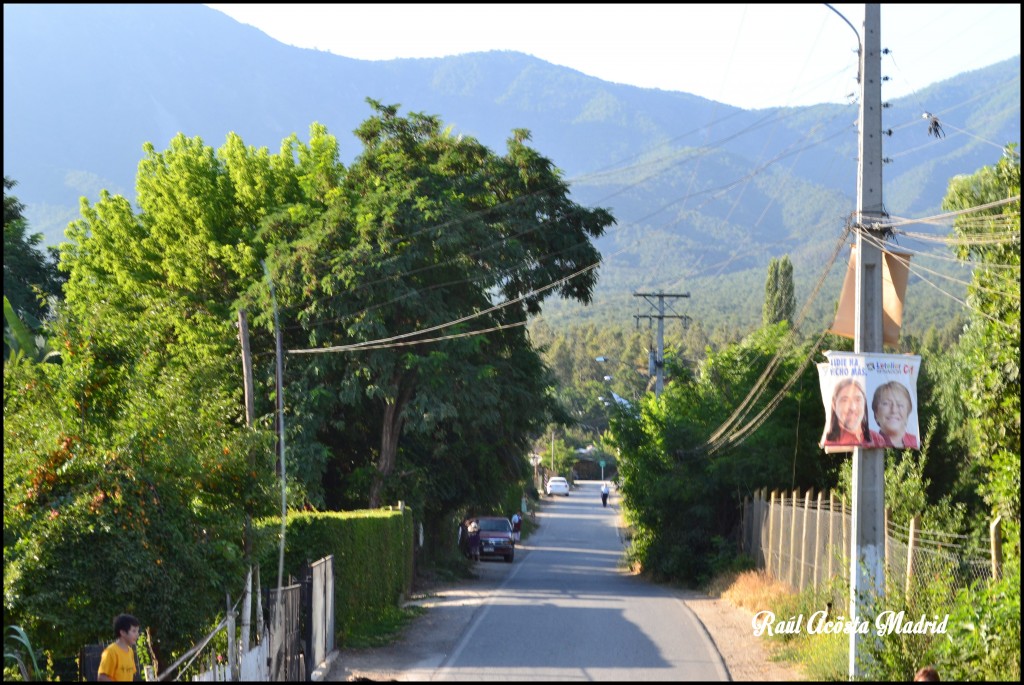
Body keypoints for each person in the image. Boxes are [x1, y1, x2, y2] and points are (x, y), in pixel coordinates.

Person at [823, 378, 886, 447]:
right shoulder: (830, 443)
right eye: (845, 400)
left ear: (864, 403)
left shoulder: (877, 439)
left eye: (858, 399)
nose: (853, 407)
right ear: (834, 405)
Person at [872, 381, 918, 449]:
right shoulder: (869, 443)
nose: (894, 410)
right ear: (876, 413)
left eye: (900, 405)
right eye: (886, 404)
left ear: (908, 412)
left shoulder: (915, 442)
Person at [97, 613, 140, 682]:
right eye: (134, 631)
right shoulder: (110, 652)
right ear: (122, 632)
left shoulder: (130, 651)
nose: (137, 634)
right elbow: (101, 678)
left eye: (138, 631)